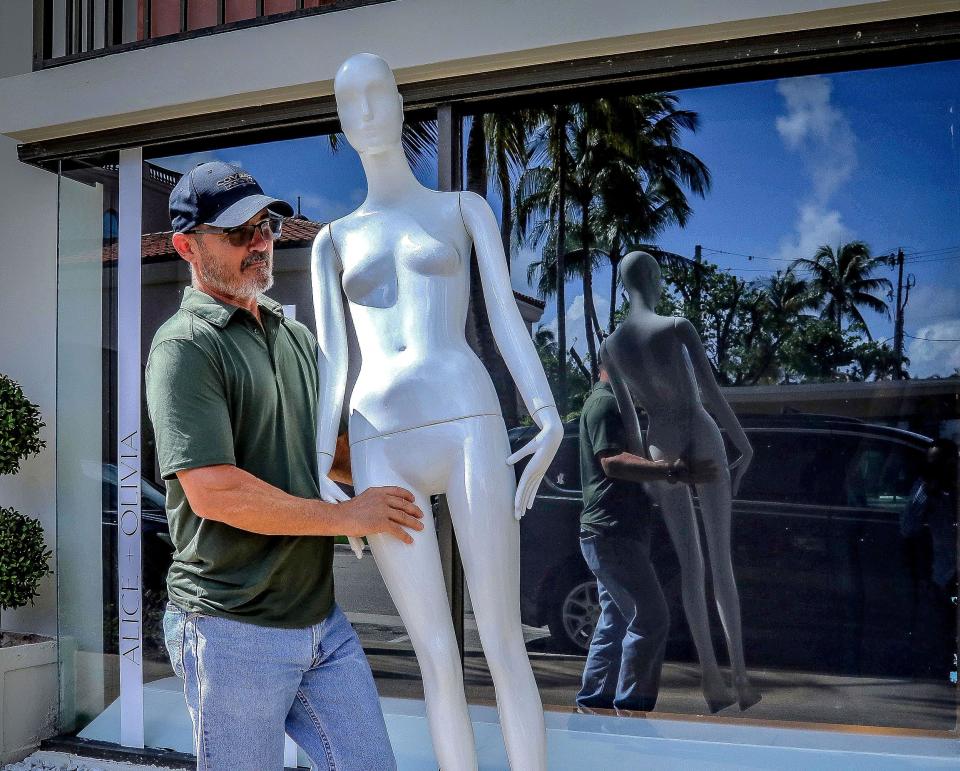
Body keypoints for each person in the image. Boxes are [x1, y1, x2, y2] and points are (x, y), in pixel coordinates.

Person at [147, 161, 425, 771]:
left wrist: (421, 465)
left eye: (265, 226)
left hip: (318, 619)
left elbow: (331, 452)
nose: (261, 241)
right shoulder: (185, 347)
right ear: (186, 246)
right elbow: (215, 492)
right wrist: (349, 515)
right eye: (238, 232)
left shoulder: (291, 337)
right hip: (230, 628)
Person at [577, 358, 717, 714]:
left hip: (616, 532)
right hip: (611, 532)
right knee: (651, 616)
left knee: (617, 621)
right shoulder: (606, 403)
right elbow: (610, 461)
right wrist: (670, 471)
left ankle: (594, 705)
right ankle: (632, 709)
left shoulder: (613, 403)